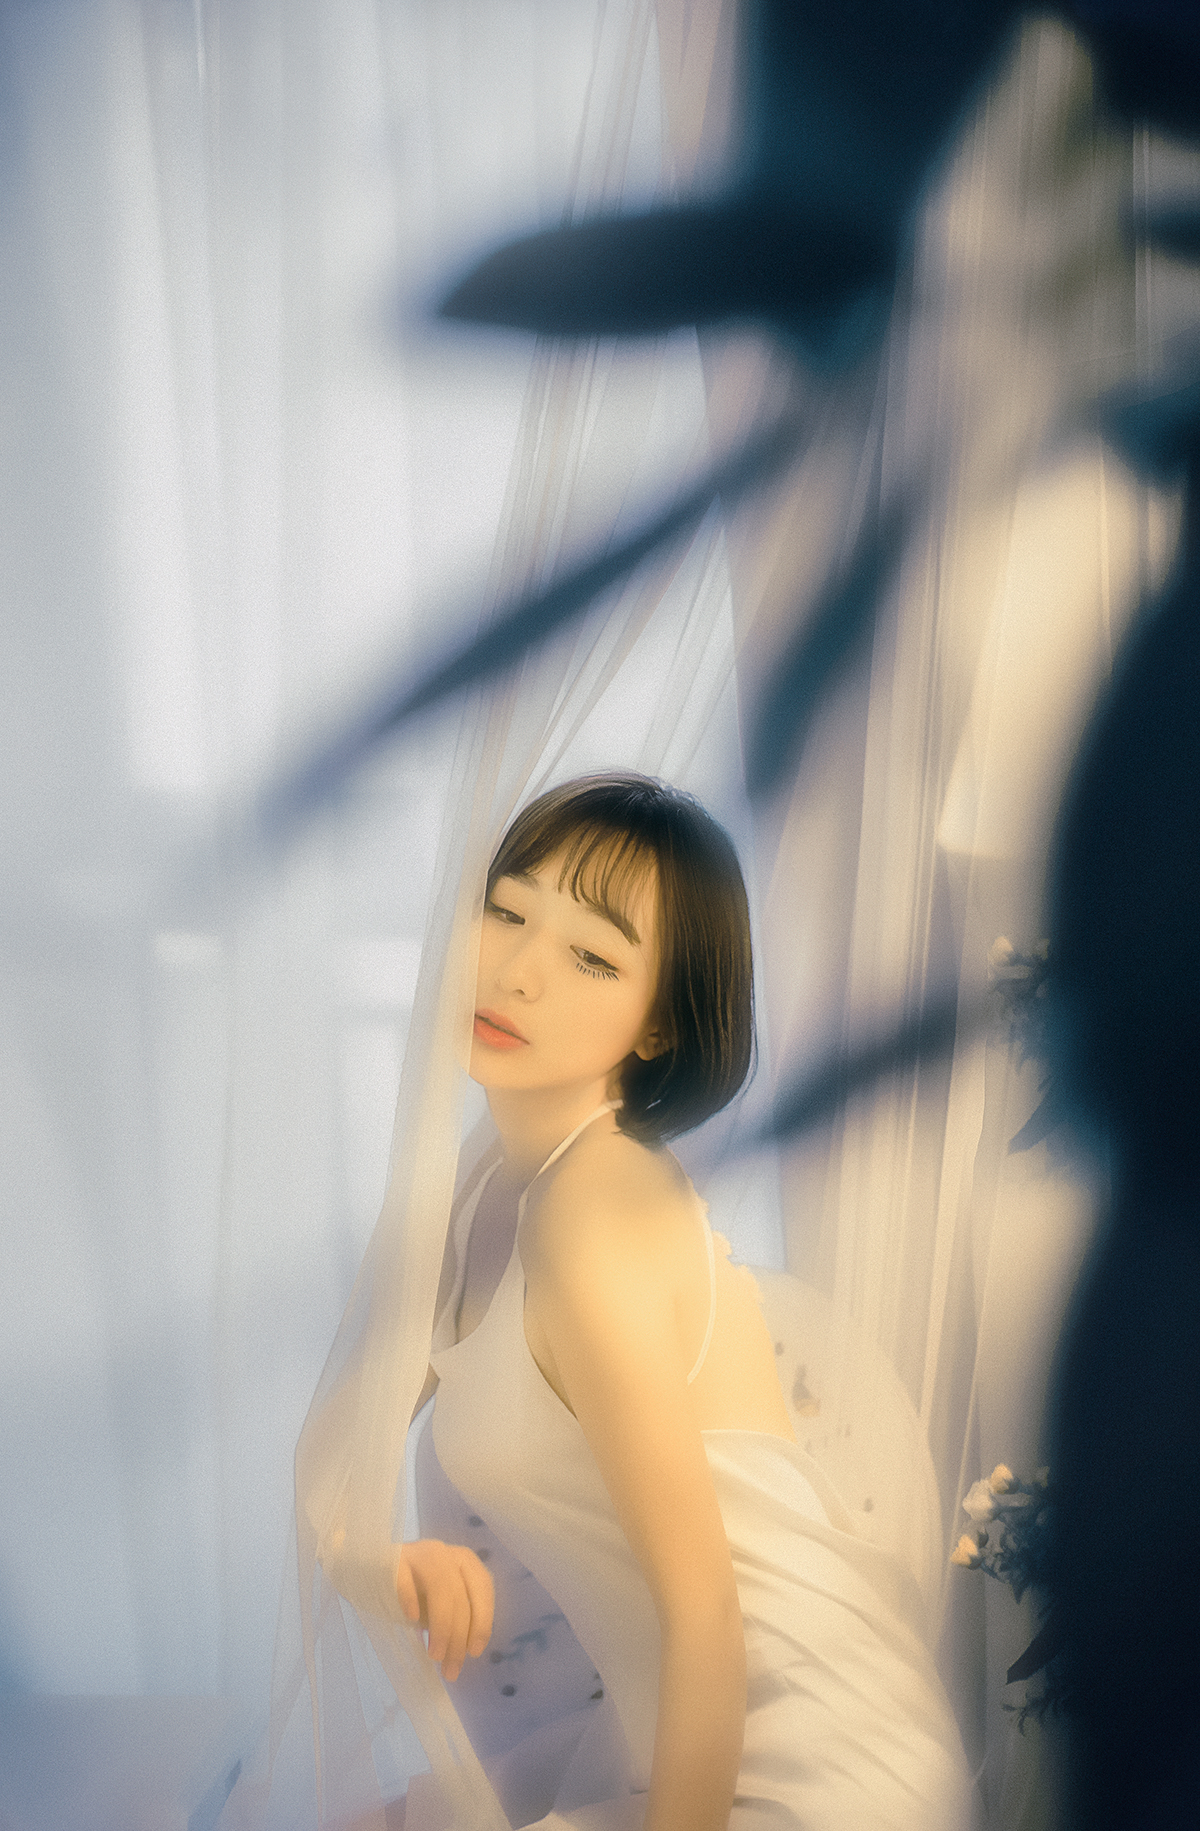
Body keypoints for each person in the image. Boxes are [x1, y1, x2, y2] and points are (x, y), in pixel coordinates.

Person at [391, 772, 971, 1831]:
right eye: (508, 911)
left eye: (593, 957)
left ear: (658, 1025)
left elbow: (706, 1612)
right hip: (668, 1733)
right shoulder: (491, 1186)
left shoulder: (594, 1208)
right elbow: (353, 1431)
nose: (518, 972)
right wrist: (393, 1555)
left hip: (811, 1764)